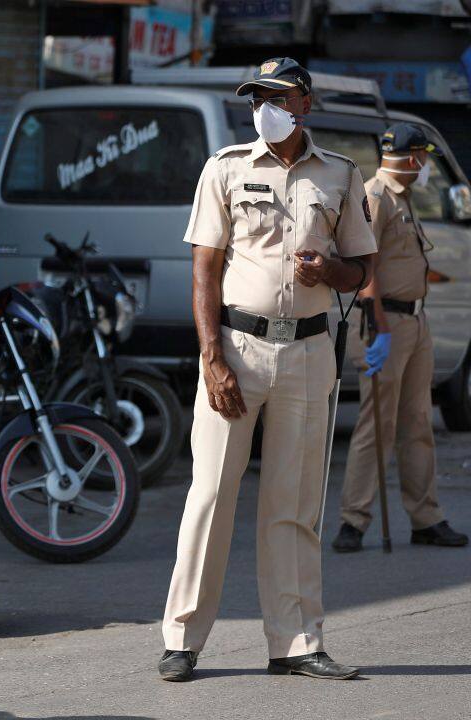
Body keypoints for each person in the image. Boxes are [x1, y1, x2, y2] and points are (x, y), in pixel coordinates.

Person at [158, 58, 377, 683]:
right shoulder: (225, 167)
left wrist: (327, 272)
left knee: (295, 504)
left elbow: (360, 271)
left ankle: (296, 643)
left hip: (309, 353)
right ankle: (181, 640)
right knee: (210, 497)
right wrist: (212, 358)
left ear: (304, 104)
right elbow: (204, 269)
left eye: (277, 96)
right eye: (258, 96)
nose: (266, 106)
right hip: (237, 350)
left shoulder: (340, 173)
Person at [332, 123, 469, 553]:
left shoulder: (402, 197)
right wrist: (378, 323)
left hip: (415, 322)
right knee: (378, 426)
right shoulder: (376, 196)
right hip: (384, 322)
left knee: (417, 424)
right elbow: (362, 264)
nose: (426, 165)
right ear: (412, 159)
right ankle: (353, 522)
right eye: (424, 157)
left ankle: (425, 517)